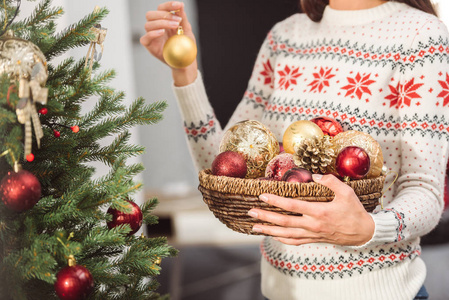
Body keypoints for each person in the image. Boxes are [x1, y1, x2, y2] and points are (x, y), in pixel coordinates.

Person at [141, 1, 449, 299]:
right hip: (276, 292)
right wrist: (185, 74)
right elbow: (223, 171)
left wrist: (370, 227)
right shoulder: (285, 37)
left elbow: (425, 190)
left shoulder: (421, 38)